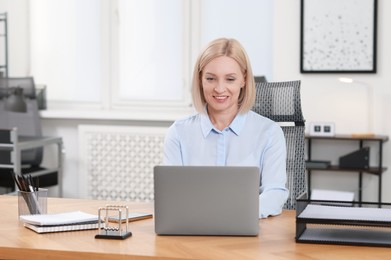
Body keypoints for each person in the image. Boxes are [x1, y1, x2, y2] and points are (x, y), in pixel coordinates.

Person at [163, 38, 288, 218]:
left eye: (230, 79)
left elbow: (274, 193)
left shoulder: (269, 133)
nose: (220, 89)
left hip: (248, 232)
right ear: (200, 80)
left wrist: (234, 214)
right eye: (210, 78)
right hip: (193, 231)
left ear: (243, 80)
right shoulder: (179, 132)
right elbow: (171, 195)